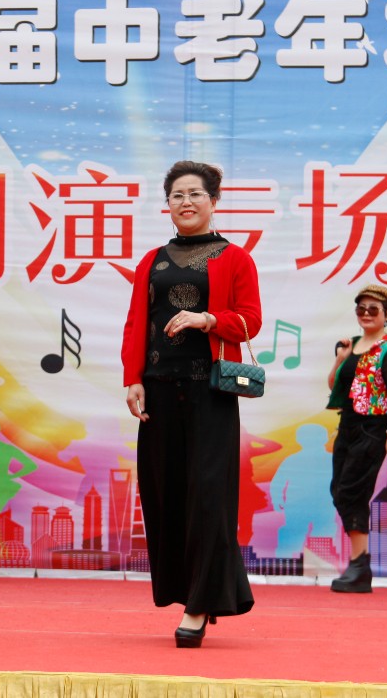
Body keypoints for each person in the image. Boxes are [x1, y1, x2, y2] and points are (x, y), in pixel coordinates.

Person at [120, 160, 262, 648]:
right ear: (168, 204)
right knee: (166, 494)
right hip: (158, 392)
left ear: (213, 201)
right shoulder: (152, 261)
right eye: (177, 195)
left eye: (195, 194)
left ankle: (200, 605)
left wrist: (208, 320)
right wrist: (132, 379)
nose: (186, 202)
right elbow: (136, 324)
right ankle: (189, 591)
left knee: (208, 497)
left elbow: (250, 321)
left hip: (210, 393)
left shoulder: (235, 258)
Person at [325, 284, 387, 593]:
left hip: (373, 429)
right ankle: (359, 566)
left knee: (352, 492)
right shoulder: (351, 344)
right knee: (339, 490)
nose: (367, 314)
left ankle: (359, 565)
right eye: (361, 308)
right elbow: (334, 385)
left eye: (374, 309)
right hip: (347, 426)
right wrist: (340, 359)